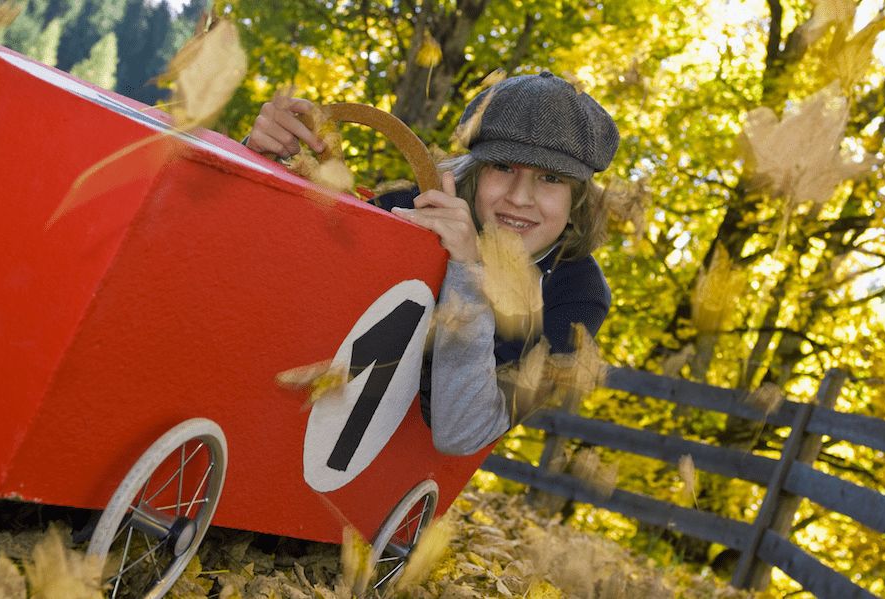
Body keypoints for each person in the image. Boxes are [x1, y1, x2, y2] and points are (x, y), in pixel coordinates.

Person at [245, 71, 619, 455]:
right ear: (475, 171)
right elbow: (275, 271)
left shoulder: (577, 294)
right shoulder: (418, 206)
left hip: (394, 483)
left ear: (578, 201)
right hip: (278, 421)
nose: (520, 197)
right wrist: (262, 163)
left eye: (551, 178)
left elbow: (463, 432)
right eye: (503, 167)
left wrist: (468, 272)